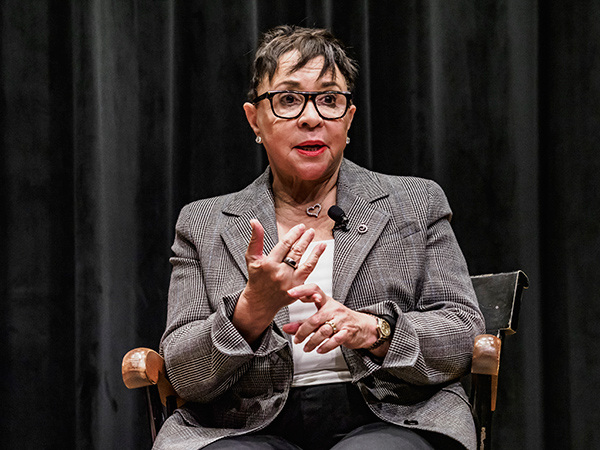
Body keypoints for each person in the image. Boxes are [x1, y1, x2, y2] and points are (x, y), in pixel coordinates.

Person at [153, 25, 485, 450]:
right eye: (288, 99)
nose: (311, 117)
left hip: (397, 414)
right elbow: (183, 372)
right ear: (255, 120)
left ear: (348, 119)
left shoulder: (415, 203)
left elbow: (462, 335)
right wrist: (252, 310)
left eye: (329, 100)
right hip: (243, 425)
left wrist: (375, 330)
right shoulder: (203, 223)